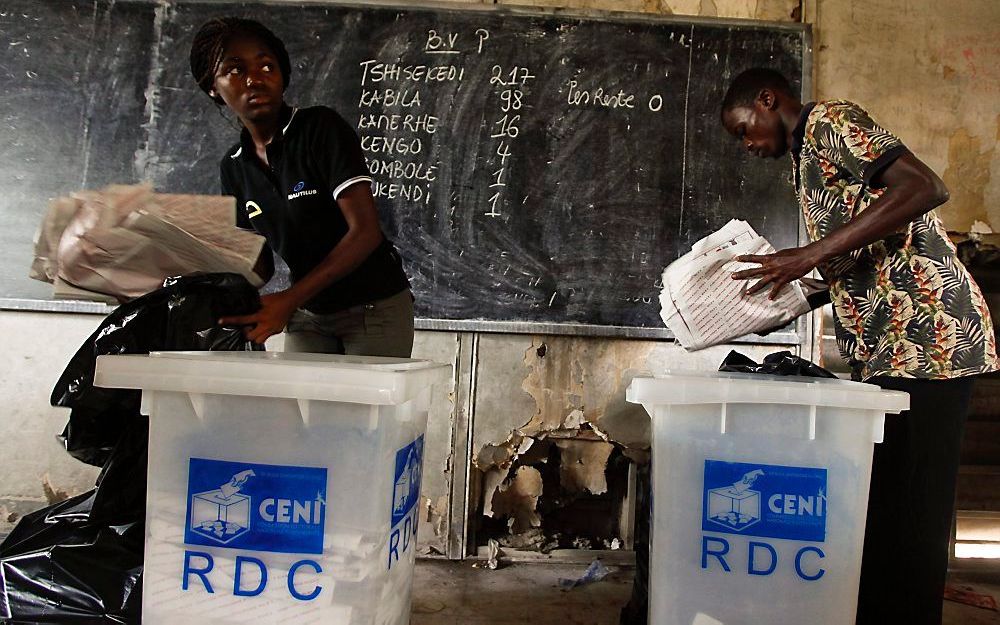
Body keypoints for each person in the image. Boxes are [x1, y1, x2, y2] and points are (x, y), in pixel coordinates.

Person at [719, 67, 998, 624]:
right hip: (887, 350)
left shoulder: (832, 121)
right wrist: (779, 302)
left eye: (743, 128)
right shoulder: (804, 166)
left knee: (915, 517)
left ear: (768, 100)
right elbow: (852, 259)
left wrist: (809, 253)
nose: (746, 144)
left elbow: (924, 187)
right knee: (887, 508)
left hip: (931, 341)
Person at [189, 17, 413, 357]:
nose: (255, 79)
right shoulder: (234, 166)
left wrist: (287, 301)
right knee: (307, 411)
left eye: (267, 66)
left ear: (282, 75)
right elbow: (258, 264)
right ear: (212, 87)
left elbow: (365, 232)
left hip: (372, 309)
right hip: (309, 315)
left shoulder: (320, 129)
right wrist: (182, 275)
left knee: (360, 411)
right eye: (235, 70)